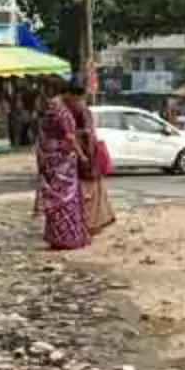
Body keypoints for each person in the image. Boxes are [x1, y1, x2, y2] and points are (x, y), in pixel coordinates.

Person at [37, 80, 90, 251]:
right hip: (61, 162)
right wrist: (82, 156)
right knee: (66, 199)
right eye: (79, 99)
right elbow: (70, 138)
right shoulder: (63, 112)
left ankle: (56, 236)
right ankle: (68, 238)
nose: (80, 104)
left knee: (55, 199)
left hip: (48, 159)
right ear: (72, 95)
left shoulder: (52, 105)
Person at [68, 83, 116, 234]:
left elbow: (86, 134)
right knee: (89, 193)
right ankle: (90, 223)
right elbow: (85, 134)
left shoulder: (78, 112)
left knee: (91, 192)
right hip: (85, 156)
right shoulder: (79, 112)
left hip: (85, 155)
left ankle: (90, 223)